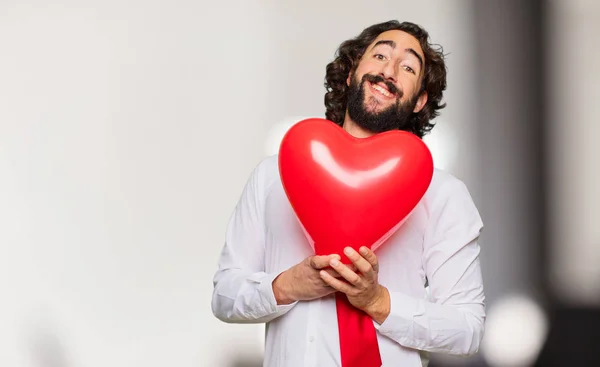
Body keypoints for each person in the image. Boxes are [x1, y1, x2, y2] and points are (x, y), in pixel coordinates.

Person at [211, 20, 485, 367]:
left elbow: (468, 330)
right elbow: (224, 294)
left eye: (408, 67)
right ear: (350, 73)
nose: (389, 70)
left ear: (419, 100)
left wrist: (377, 301)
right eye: (381, 55)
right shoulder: (272, 176)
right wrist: (286, 285)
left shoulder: (443, 195)